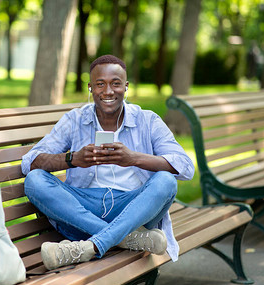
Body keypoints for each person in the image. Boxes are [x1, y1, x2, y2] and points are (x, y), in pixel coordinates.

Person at [21, 54, 194, 270]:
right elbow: (30, 162)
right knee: (35, 180)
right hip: (83, 210)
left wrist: (134, 158)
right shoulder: (74, 120)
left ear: (126, 86)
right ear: (90, 88)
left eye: (115, 84)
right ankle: (126, 239)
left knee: (167, 182)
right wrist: (73, 159)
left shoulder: (147, 120)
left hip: (132, 209)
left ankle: (92, 246)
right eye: (100, 84)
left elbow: (186, 167)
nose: (108, 91)